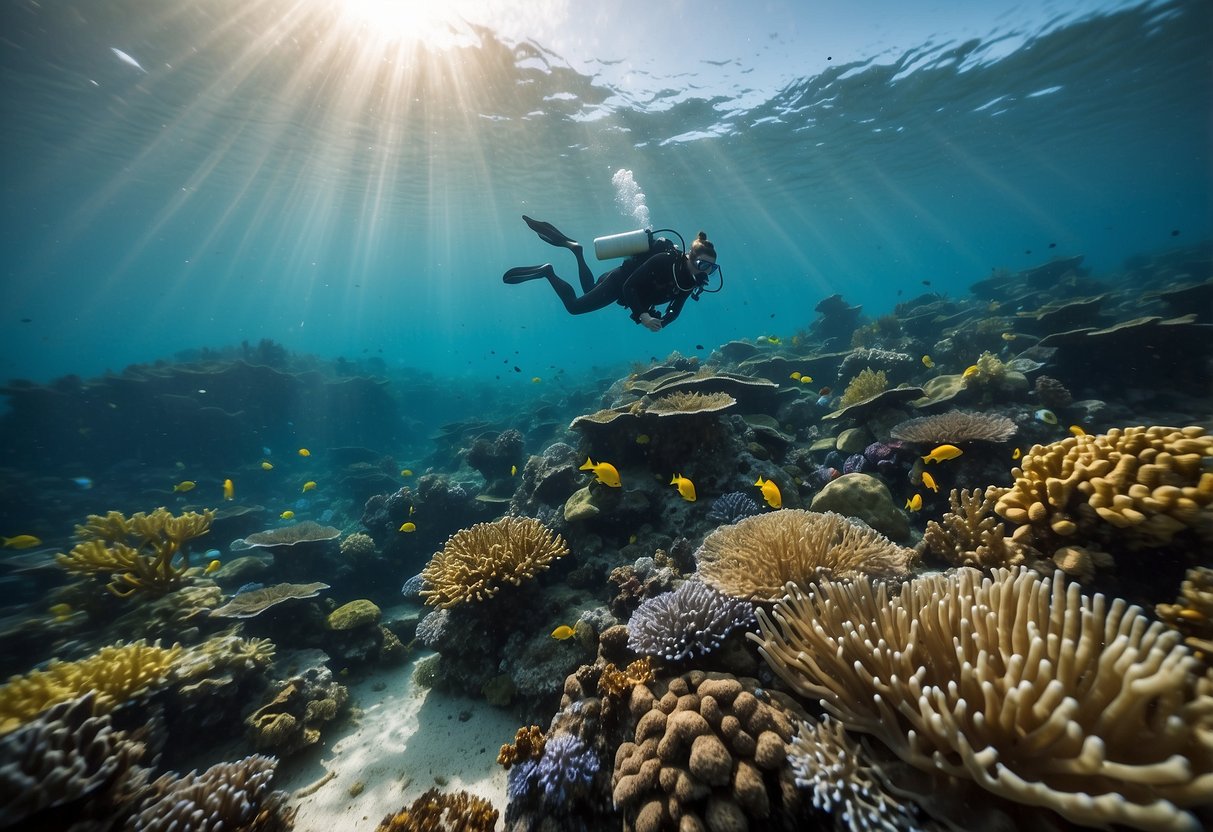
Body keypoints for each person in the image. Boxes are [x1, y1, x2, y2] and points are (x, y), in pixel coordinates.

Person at [503, 216, 719, 331]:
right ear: (690, 256)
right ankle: (548, 272)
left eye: (710, 267)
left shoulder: (689, 282)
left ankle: (577, 251)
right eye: (702, 264)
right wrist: (644, 315)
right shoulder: (665, 260)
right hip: (619, 283)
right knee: (574, 307)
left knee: (588, 289)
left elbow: (676, 309)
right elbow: (629, 287)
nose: (705, 271)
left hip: (625, 293)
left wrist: (663, 322)